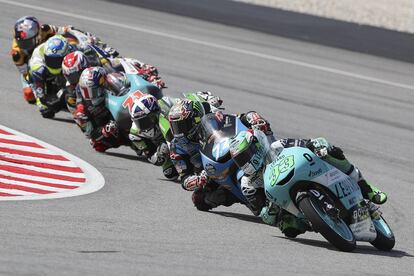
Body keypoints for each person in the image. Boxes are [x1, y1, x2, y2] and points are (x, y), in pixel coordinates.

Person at [229, 132, 388, 237]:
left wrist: (318, 145)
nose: (245, 162)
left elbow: (307, 143)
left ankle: (366, 188)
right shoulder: (247, 184)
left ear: (256, 146)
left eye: (246, 155)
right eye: (240, 160)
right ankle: (320, 221)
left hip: (309, 172)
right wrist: (268, 210)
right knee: (288, 228)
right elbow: (259, 211)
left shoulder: (277, 146)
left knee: (331, 153)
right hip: (286, 203)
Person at [168, 93, 270, 211]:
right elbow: (184, 177)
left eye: (182, 125)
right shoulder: (176, 147)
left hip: (230, 152)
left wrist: (251, 117)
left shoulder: (210, 121)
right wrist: (196, 180)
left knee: (259, 133)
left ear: (195, 120)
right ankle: (243, 198)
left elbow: (237, 118)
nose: (179, 131)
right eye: (175, 126)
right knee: (199, 200)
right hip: (211, 175)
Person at [10, 16, 73, 104]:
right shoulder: (16, 54)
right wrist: (37, 90)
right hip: (30, 64)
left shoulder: (44, 29)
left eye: (28, 42)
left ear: (38, 34)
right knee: (29, 95)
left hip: (50, 51)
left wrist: (71, 30)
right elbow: (25, 74)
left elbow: (63, 30)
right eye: (21, 43)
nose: (24, 46)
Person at [128, 94, 179, 180]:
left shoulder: (165, 104)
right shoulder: (135, 135)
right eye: (139, 122)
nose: (142, 125)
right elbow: (151, 156)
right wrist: (160, 154)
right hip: (166, 149)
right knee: (170, 173)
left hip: (178, 133)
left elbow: (183, 104)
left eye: (144, 121)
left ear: (154, 114)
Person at [74, 66, 124, 152]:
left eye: (93, 91)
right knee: (97, 145)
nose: (90, 95)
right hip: (107, 125)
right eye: (86, 91)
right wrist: (104, 130)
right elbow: (90, 135)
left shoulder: (109, 80)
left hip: (120, 107)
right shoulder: (82, 111)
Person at [29, 35, 73, 118]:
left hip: (65, 71)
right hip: (44, 74)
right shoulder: (38, 56)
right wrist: (42, 100)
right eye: (51, 60)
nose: (54, 63)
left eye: (57, 60)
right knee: (45, 111)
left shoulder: (71, 50)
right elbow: (38, 85)